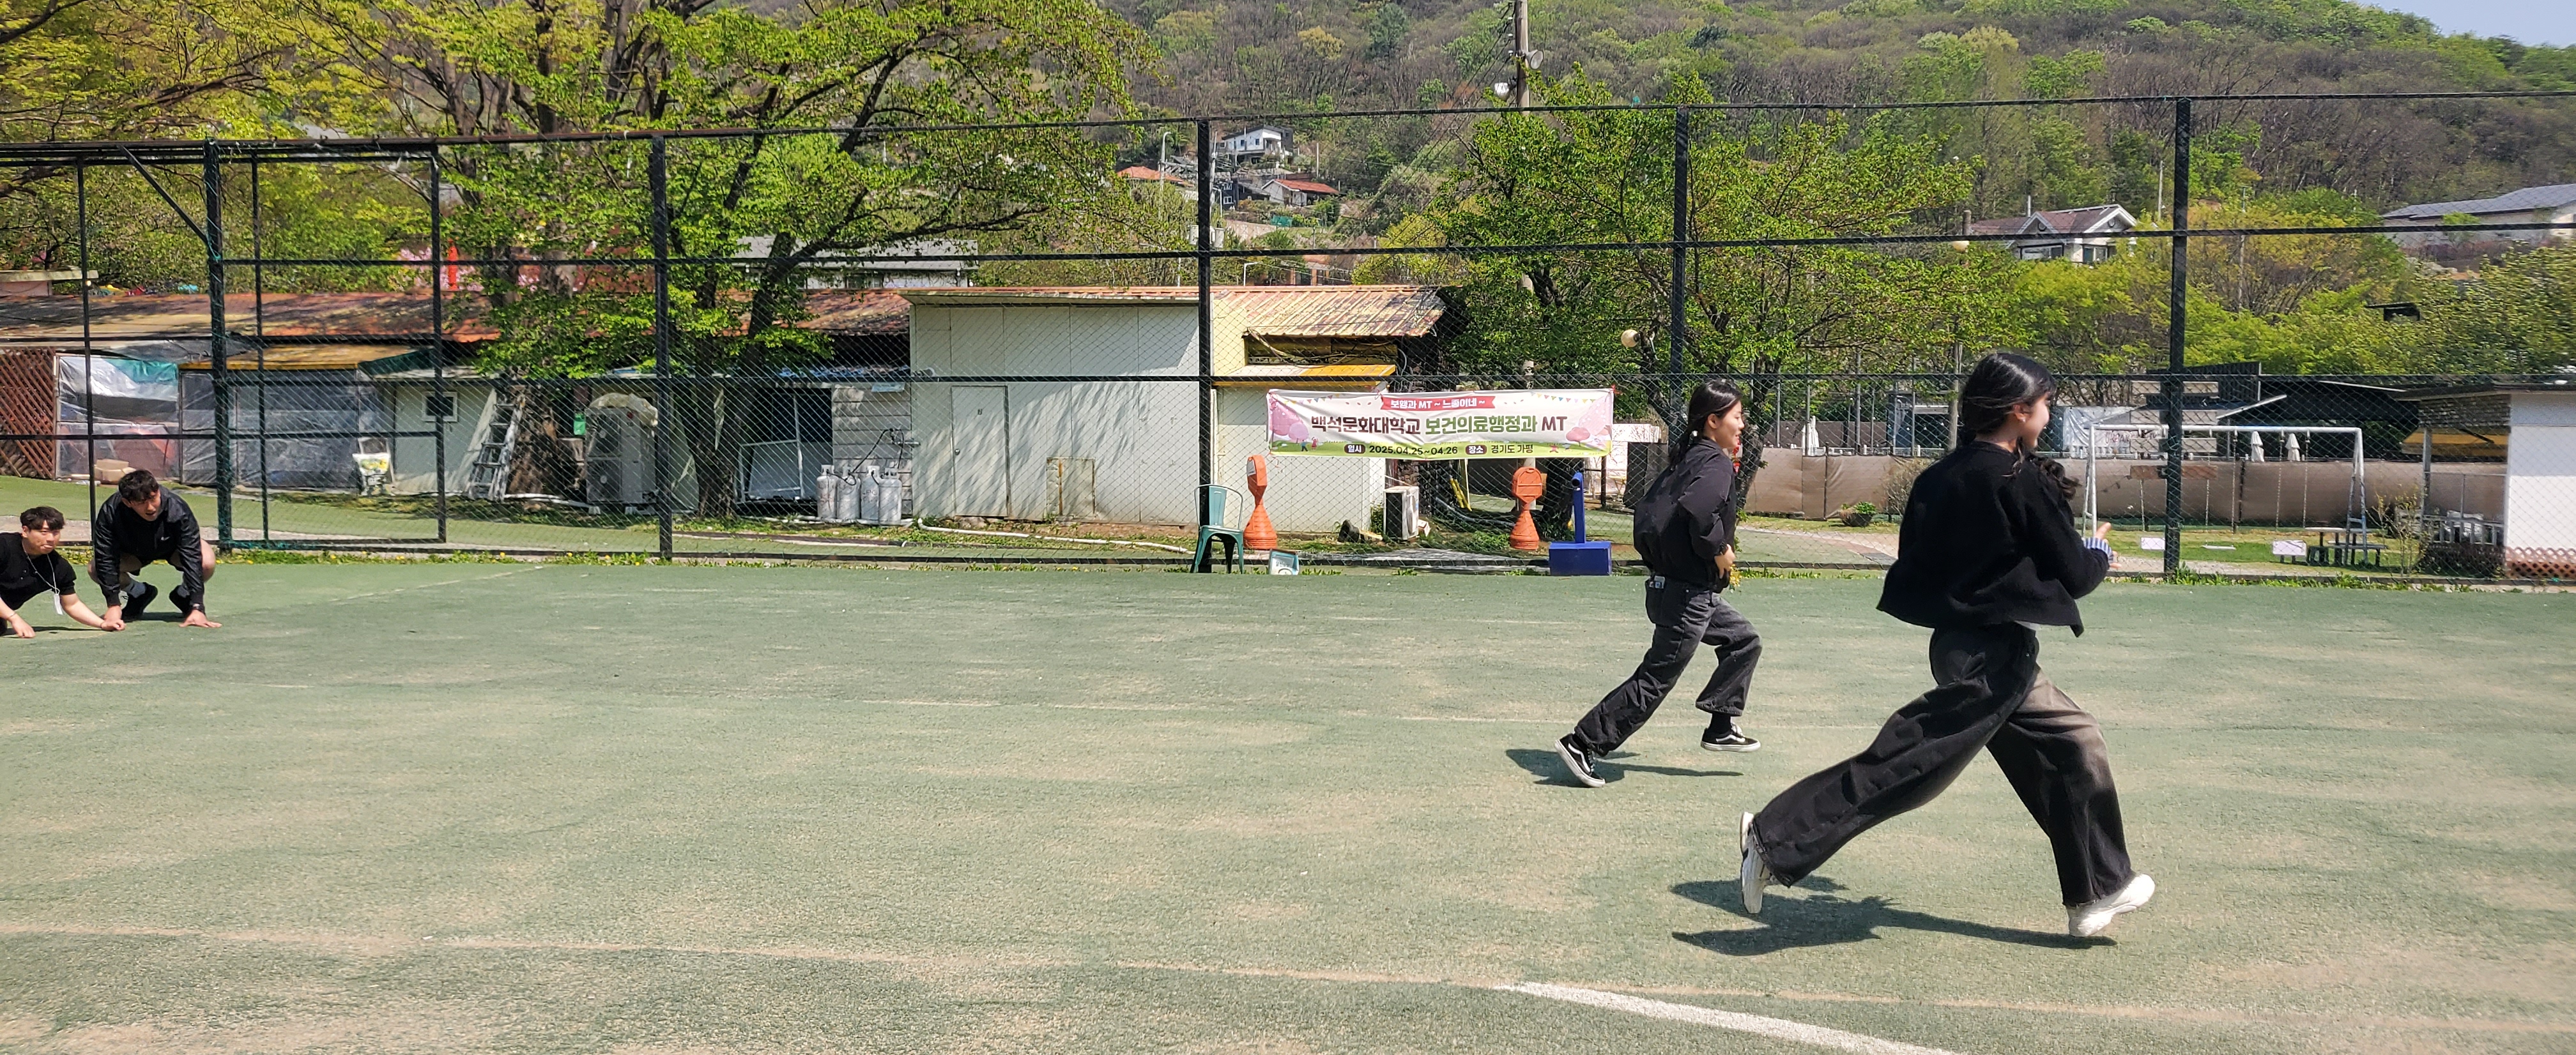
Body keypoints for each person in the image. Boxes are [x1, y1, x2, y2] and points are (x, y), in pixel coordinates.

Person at [1736, 353, 2151, 939]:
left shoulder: (1942, 476)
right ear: (2018, 410)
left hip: (1963, 646)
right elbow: (2076, 576)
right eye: (2046, 403)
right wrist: (2101, 553)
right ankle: (1773, 838)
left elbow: (1938, 563)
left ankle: (2097, 889)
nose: (2049, 413)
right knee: (1912, 763)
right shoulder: (2017, 478)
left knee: (2074, 742)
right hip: (1990, 656)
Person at [1555, 381, 1763, 789]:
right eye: (1736, 417)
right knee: (1655, 679)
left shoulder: (1686, 459)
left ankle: (1721, 726)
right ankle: (1583, 743)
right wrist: (1720, 548)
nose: (1742, 425)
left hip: (1673, 590)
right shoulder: (1715, 463)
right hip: (1688, 597)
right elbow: (1699, 512)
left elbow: (1650, 516)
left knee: (1743, 641)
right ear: (1713, 421)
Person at [91, 469, 222, 630]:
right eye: (141, 502)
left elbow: (192, 554)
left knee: (206, 562)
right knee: (96, 568)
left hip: (174, 550)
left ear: (158, 491)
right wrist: (113, 604)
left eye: (153, 498)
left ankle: (183, 595)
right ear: (128, 503)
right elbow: (105, 556)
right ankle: (139, 593)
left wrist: (197, 606)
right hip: (133, 553)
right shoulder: (111, 512)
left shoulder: (178, 509)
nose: (150, 508)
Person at [3, 506, 114, 638]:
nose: (51, 539)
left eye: (55, 533)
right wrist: (14, 618)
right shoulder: (4, 546)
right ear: (26, 531)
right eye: (44, 532)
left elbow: (72, 604)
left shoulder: (58, 566)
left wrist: (102, 624)